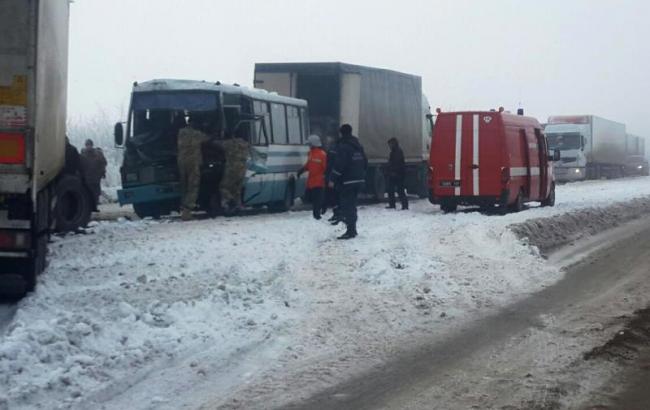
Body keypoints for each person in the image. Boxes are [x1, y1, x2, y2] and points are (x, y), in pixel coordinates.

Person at [329, 124, 367, 239]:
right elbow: (365, 161)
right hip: (359, 179)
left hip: (347, 181)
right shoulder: (358, 145)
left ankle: (350, 231)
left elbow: (340, 164)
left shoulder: (343, 146)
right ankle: (353, 229)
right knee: (352, 205)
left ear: (341, 133)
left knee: (346, 206)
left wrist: (332, 178)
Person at [177, 114, 209, 221]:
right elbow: (208, 139)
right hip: (193, 162)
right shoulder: (197, 134)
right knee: (193, 186)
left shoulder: (181, 132)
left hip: (181, 162)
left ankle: (182, 208)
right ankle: (187, 212)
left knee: (184, 186)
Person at [218, 133, 250, 214]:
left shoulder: (230, 143)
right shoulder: (246, 144)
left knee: (223, 187)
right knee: (237, 189)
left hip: (232, 168)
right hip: (243, 169)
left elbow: (218, 143)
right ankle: (238, 206)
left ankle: (231, 201)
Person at [297, 135, 327, 220]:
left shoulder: (322, 154)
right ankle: (317, 212)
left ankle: (317, 214)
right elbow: (308, 165)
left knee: (317, 199)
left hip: (319, 181)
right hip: (311, 181)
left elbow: (326, 168)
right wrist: (302, 170)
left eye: (309, 144)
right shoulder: (311, 153)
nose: (308, 146)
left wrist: (325, 177)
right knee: (313, 199)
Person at [80, 139, 107, 212]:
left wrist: (103, 172)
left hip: (96, 177)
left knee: (96, 192)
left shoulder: (98, 154)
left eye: (89, 145)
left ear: (92, 145)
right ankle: (88, 207)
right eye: (87, 145)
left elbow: (103, 163)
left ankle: (94, 206)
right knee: (88, 193)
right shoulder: (83, 154)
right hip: (87, 177)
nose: (88, 146)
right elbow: (80, 165)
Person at [385, 137, 409, 210]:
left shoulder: (397, 152)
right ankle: (399, 205)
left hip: (397, 174)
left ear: (393, 144)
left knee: (398, 190)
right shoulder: (395, 151)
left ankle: (403, 205)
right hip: (397, 173)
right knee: (394, 189)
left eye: (390, 144)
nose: (389, 146)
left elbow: (397, 163)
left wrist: (392, 170)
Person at [323, 134, 340, 222]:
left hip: (332, 176)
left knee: (333, 196)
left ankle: (337, 214)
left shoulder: (332, 151)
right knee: (335, 196)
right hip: (336, 176)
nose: (326, 143)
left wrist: (328, 176)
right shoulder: (337, 149)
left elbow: (330, 164)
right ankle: (337, 214)